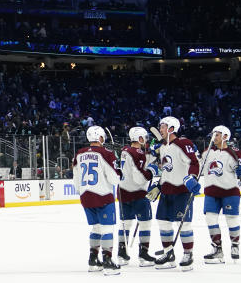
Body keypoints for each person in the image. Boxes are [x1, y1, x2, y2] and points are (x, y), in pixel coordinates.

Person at [153, 116, 201, 270]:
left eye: (163, 126)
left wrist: (192, 177)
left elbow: (194, 162)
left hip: (181, 190)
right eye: (160, 126)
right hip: (167, 190)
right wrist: (159, 185)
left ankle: (188, 254)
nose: (160, 129)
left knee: (184, 223)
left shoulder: (183, 143)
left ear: (172, 128)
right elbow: (167, 170)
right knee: (163, 222)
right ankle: (169, 254)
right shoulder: (164, 147)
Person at [72, 126, 121, 274]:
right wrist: (118, 169)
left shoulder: (79, 154)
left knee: (96, 228)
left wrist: (82, 192)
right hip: (103, 196)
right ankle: (107, 261)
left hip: (86, 196)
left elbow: (75, 179)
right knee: (107, 229)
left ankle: (93, 260)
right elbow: (114, 179)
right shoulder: (107, 153)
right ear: (100, 138)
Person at [201, 126, 241, 264]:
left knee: (231, 219)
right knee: (210, 219)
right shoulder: (206, 152)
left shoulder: (234, 153)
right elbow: (199, 167)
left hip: (229, 191)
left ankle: (235, 246)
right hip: (211, 191)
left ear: (225, 136)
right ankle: (217, 249)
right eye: (213, 135)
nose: (214, 137)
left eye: (217, 135)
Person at [117, 126, 159, 266]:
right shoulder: (138, 153)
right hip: (138, 193)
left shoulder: (125, 150)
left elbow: (141, 160)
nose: (146, 139)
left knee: (125, 223)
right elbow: (139, 177)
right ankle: (143, 255)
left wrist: (153, 153)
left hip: (123, 192)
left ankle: (121, 254)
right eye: (144, 137)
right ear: (139, 138)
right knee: (145, 222)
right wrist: (152, 171)